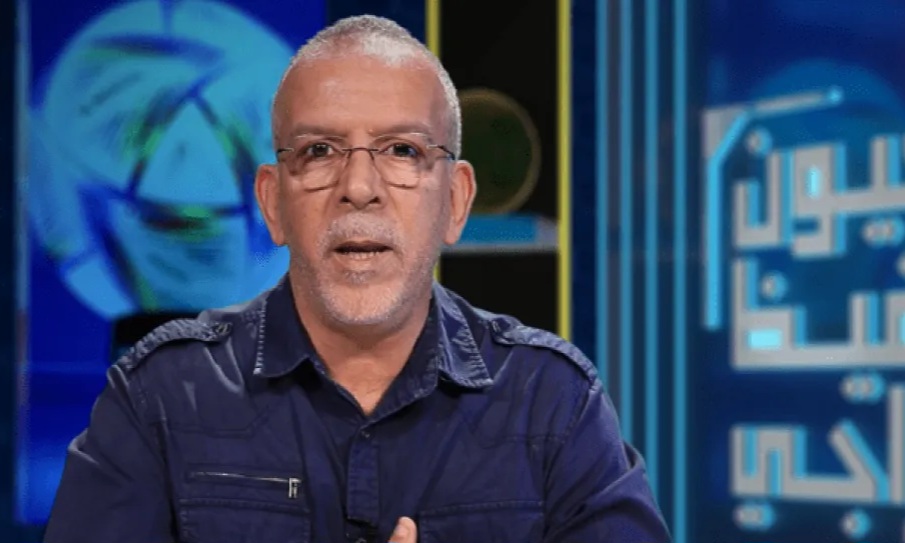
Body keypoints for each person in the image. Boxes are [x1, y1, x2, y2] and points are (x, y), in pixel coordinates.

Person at [43, 14, 671, 543]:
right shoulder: (158, 398)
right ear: (272, 203)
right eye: (319, 151)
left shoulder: (554, 403)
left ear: (455, 201)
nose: (360, 187)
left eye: (403, 151)